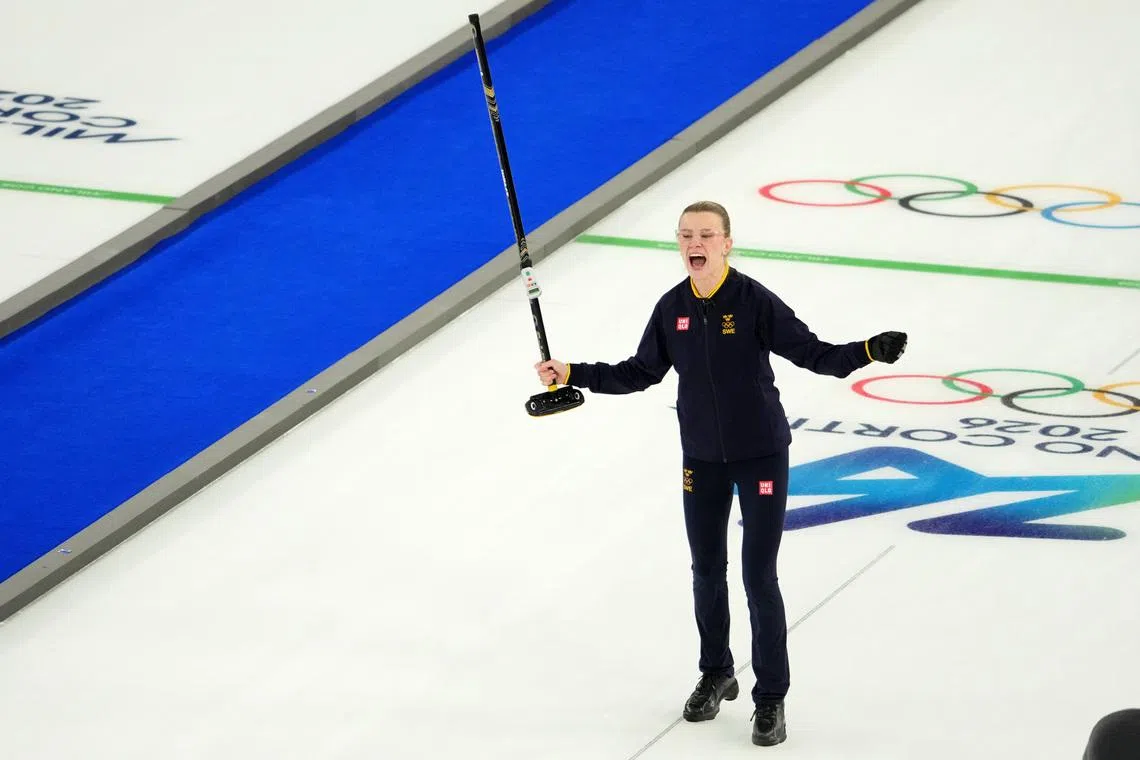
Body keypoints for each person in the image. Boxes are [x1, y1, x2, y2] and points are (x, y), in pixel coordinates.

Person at [535, 200, 907, 747]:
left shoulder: (754, 301)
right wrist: (573, 372)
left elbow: (815, 355)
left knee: (758, 576)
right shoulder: (672, 308)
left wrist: (868, 351)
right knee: (706, 570)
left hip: (761, 455)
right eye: (686, 234)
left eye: (707, 234)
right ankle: (716, 673)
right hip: (702, 458)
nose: (695, 243)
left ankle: (771, 697)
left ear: (727, 243)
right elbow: (640, 372)